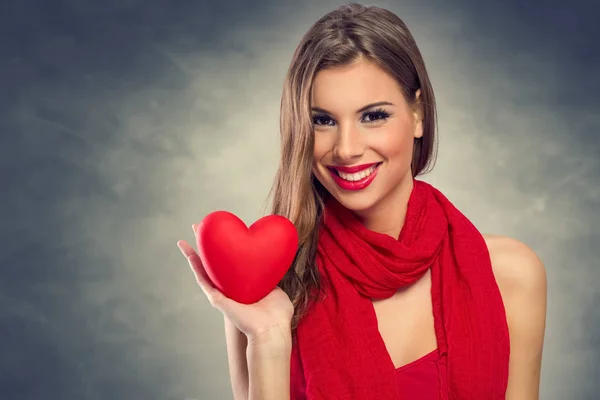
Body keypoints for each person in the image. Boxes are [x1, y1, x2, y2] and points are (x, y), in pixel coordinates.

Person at [177, 3, 547, 399]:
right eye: (323, 121)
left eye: (373, 116)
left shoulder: (509, 274)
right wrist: (268, 338)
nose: (347, 149)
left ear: (418, 113)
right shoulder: (267, 285)